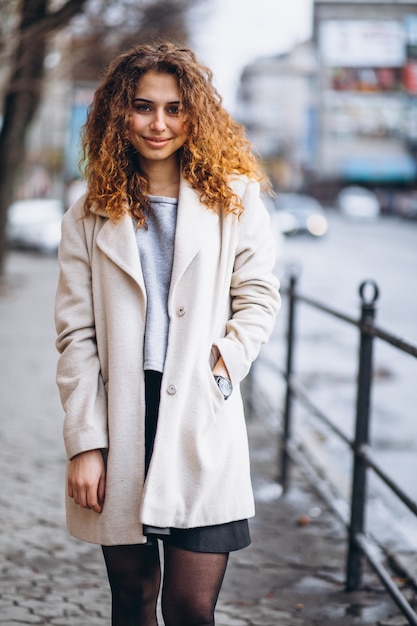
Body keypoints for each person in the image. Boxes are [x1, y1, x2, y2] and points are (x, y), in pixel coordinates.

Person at [55, 41, 280, 626]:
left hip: (200, 412)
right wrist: (85, 442)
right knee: (131, 602)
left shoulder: (234, 199)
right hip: (122, 416)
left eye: (175, 108)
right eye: (143, 107)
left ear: (195, 115)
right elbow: (76, 334)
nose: (159, 123)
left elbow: (257, 300)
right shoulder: (88, 213)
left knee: (190, 606)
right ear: (118, 115)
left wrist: (220, 369)